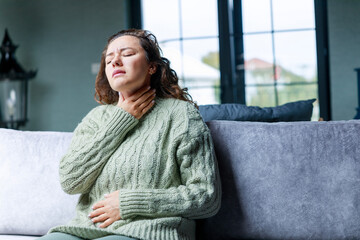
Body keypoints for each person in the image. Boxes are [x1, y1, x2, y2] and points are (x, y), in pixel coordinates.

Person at [38, 29, 221, 240]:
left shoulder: (181, 115)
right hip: (85, 230)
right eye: (109, 59)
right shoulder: (95, 119)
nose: (115, 61)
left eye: (127, 54)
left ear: (152, 67)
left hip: (151, 232)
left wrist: (130, 203)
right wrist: (120, 121)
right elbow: (71, 181)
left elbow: (206, 196)